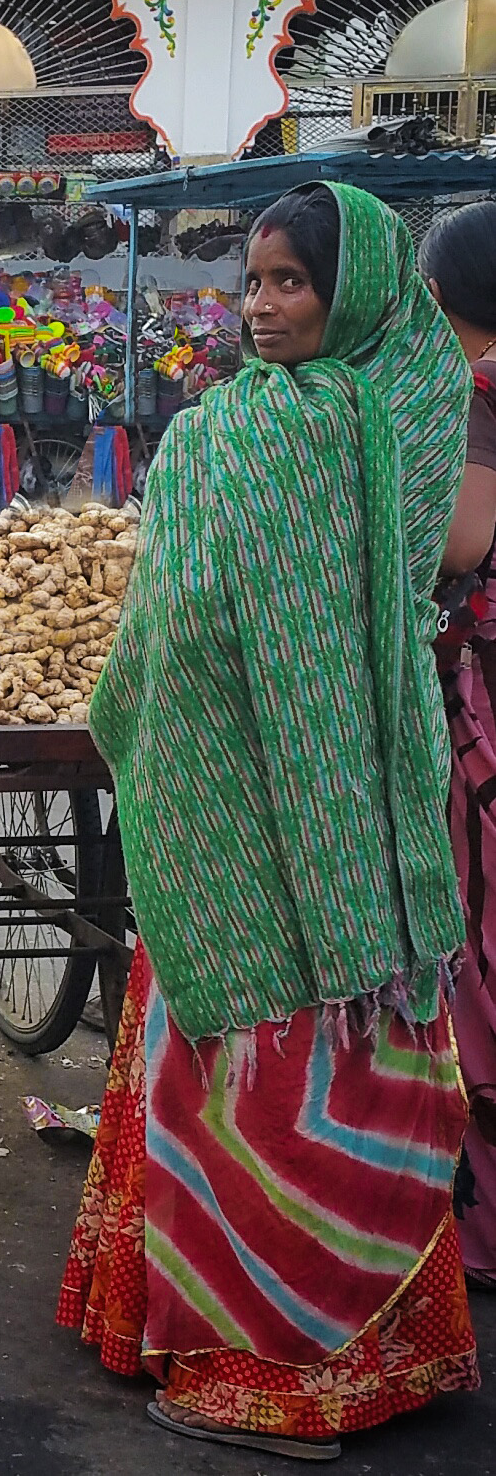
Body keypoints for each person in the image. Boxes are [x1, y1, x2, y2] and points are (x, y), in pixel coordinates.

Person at [57, 182, 480, 1461]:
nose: (259, 307)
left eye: (289, 281)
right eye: (250, 283)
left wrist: (133, 707)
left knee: (262, 1042)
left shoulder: (286, 425)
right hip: (306, 801)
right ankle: (355, 1348)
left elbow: (191, 629)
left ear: (349, 290)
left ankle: (275, 1372)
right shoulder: (383, 405)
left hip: (287, 792)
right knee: (319, 1031)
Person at [420, 199, 496, 1291]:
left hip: (485, 697)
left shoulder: (477, 391)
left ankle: (479, 1236)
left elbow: (461, 539)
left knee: (478, 947)